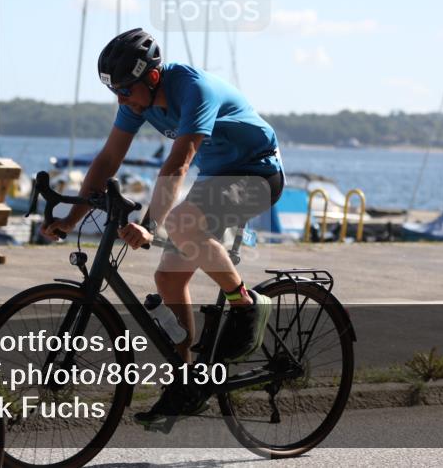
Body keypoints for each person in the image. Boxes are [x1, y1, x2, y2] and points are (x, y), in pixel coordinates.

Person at [41, 28, 284, 427]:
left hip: (257, 174)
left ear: (152, 78)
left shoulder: (194, 89)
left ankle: (245, 303)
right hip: (218, 178)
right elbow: (107, 160)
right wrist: (72, 218)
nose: (121, 100)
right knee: (168, 280)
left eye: (125, 90)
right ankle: (186, 383)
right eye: (115, 92)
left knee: (182, 226)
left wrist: (150, 224)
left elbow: (178, 164)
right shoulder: (137, 103)